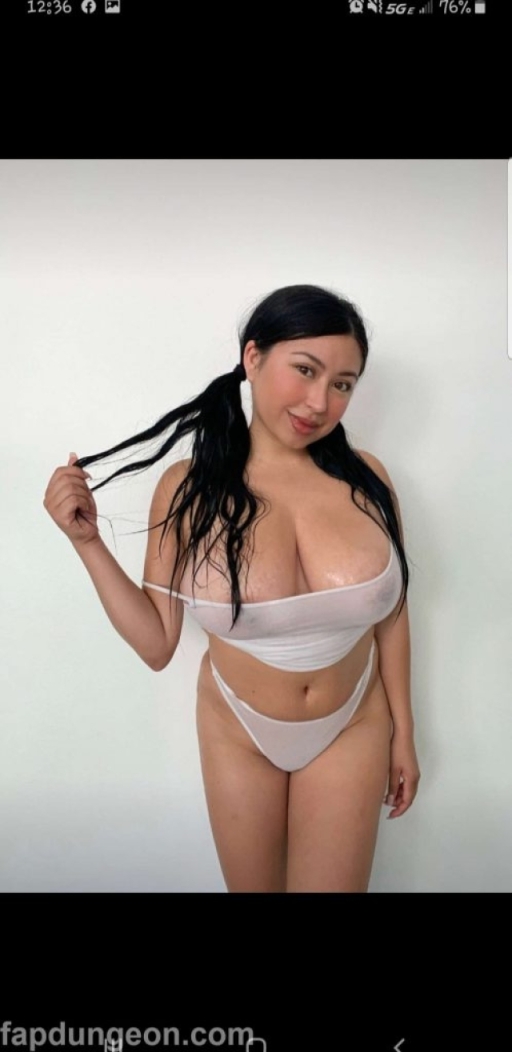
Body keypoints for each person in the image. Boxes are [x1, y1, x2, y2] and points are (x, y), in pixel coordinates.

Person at [43, 283, 420, 892]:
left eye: (343, 384)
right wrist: (86, 543)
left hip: (355, 722)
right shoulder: (189, 488)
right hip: (238, 728)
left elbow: (393, 615)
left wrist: (405, 732)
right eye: (305, 370)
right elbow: (158, 644)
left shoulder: (369, 480)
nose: (320, 401)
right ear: (253, 357)